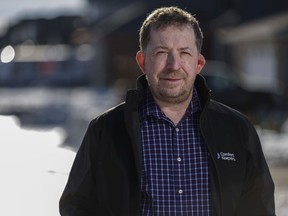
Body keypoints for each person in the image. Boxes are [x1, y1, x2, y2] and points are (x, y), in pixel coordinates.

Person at [59, 6, 275, 216]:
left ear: (198, 63)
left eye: (184, 53)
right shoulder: (105, 130)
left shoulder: (236, 129)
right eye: (162, 52)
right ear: (143, 62)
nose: (173, 65)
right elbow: (76, 205)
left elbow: (258, 208)